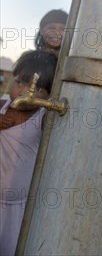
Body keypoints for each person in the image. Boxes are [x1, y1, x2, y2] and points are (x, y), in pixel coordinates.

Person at [0, 50, 57, 256]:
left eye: (36, 88)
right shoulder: (2, 106)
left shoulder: (42, 118)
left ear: (49, 94)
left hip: (18, 205)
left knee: (12, 248)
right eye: (19, 83)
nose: (24, 91)